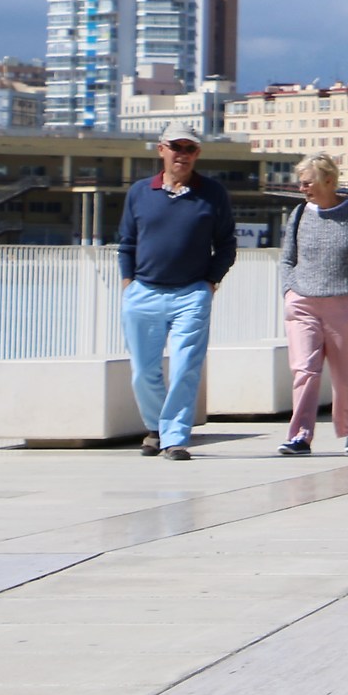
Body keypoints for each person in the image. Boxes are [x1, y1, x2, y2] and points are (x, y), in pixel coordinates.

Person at [118, 131, 235, 460]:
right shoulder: (140, 192)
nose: (182, 154)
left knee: (185, 368)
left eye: (190, 148)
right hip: (143, 293)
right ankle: (155, 428)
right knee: (143, 371)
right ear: (161, 150)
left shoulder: (212, 193)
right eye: (176, 147)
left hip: (191, 294)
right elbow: (127, 242)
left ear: (197, 154)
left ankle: (175, 438)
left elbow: (226, 245)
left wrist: (210, 283)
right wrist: (128, 283)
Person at [276, 153, 348, 456]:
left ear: (328, 181)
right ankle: (300, 436)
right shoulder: (299, 214)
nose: (302, 188)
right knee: (304, 371)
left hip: (345, 305)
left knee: (345, 373)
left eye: (307, 182)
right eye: (300, 183)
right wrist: (289, 291)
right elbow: (287, 258)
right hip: (303, 303)